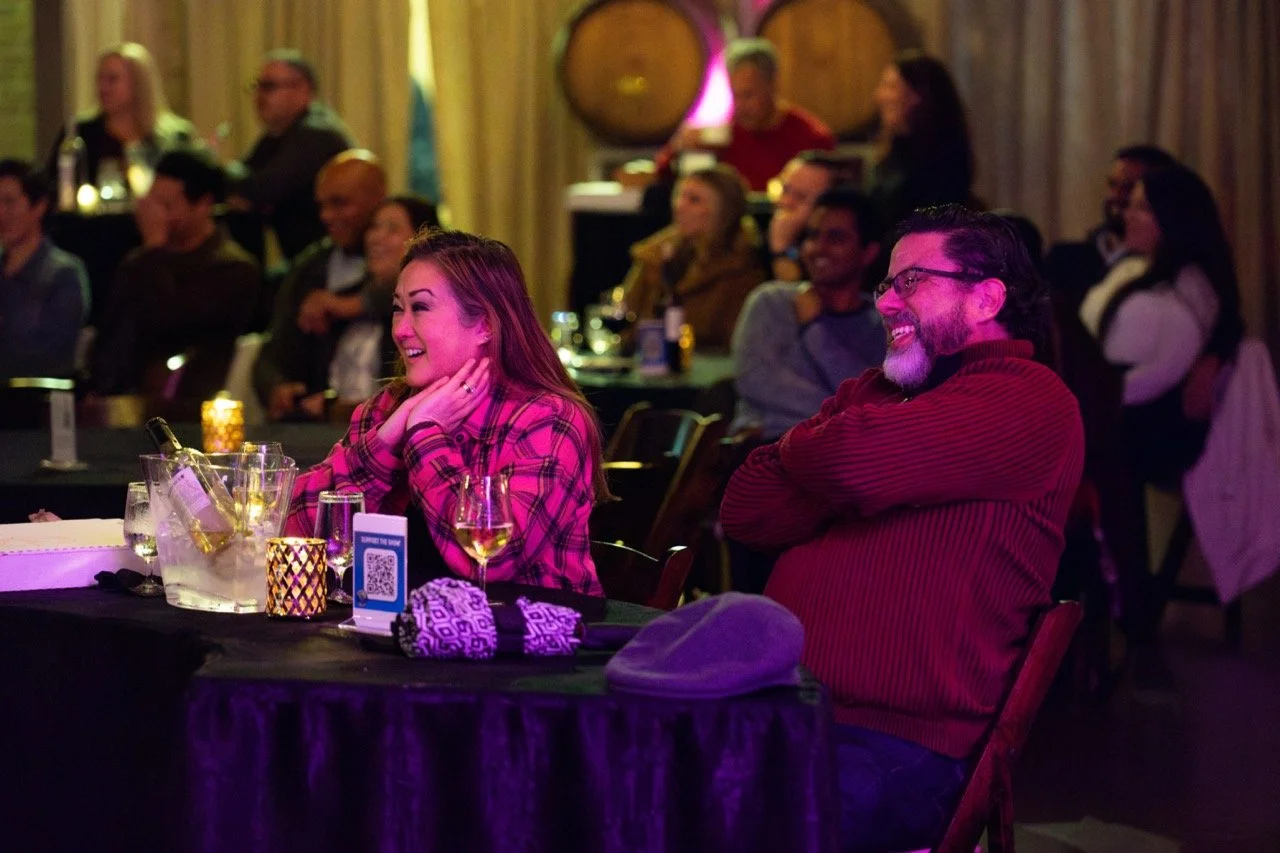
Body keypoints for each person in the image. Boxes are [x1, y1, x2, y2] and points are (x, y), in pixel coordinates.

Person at [721, 205, 1084, 853]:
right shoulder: (880, 394)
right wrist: (847, 453)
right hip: (786, 711)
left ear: (986, 297)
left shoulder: (1029, 398)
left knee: (709, 819)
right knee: (616, 785)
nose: (886, 301)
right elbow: (746, 506)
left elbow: (851, 463)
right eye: (886, 283)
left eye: (912, 280)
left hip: (898, 744)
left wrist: (827, 456)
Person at [287, 229, 607, 595]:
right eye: (397, 309)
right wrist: (386, 441)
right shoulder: (390, 409)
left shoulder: (547, 421)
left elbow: (492, 560)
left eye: (420, 307)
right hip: (401, 637)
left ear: (485, 324)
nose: (401, 330)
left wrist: (426, 435)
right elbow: (289, 531)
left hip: (522, 641)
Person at [1078, 163, 1244, 485]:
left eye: (1142, 208)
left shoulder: (1178, 296)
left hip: (1143, 440)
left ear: (1172, 218)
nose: (1126, 214)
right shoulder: (1143, 271)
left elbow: (1141, 381)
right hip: (1122, 420)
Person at [90, 149, 261, 396]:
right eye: (152, 202)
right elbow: (110, 336)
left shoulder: (234, 268)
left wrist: (154, 250)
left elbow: (170, 324)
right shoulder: (138, 263)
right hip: (123, 398)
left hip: (188, 402)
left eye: (167, 205)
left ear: (203, 205)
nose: (155, 214)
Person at [730, 186, 886, 442]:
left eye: (835, 238)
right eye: (812, 236)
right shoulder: (772, 302)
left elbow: (870, 399)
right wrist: (844, 415)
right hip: (766, 450)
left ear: (868, 253)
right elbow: (756, 381)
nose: (817, 248)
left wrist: (814, 329)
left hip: (846, 457)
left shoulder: (881, 324)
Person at [253, 150, 390, 421]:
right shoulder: (310, 268)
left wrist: (345, 305)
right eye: (322, 205)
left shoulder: (413, 260)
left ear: (378, 199)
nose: (327, 216)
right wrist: (277, 387)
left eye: (339, 203)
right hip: (321, 425)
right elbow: (273, 351)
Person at [653, 38, 835, 192]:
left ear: (772, 85)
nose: (740, 106)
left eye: (748, 95)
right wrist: (679, 148)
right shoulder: (724, 134)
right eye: (734, 95)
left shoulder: (811, 137)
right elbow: (661, 175)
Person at [620, 164, 765, 350]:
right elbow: (626, 319)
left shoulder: (742, 268)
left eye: (694, 200)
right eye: (680, 196)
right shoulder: (654, 256)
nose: (680, 206)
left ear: (724, 213)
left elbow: (736, 344)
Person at [226, 50, 352, 260]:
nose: (259, 97)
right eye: (256, 87)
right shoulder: (277, 136)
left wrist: (221, 171)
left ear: (302, 90)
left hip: (332, 263)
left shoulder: (316, 133)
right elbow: (246, 183)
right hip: (309, 258)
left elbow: (261, 189)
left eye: (268, 87)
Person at [326, 194, 441, 415]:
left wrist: (332, 408)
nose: (376, 238)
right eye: (374, 227)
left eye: (392, 229)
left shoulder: (430, 311)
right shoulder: (340, 300)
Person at [44, 42, 198, 193]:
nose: (103, 88)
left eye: (112, 79)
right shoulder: (79, 134)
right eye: (100, 79)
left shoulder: (175, 138)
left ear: (138, 83)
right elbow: (53, 189)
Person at [1044, 144, 1179, 308]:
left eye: (1130, 188)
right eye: (1113, 185)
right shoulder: (1065, 261)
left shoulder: (1171, 273)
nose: (1115, 196)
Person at [0, 159, 90, 378]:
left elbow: (54, 354)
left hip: (35, 398)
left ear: (39, 206)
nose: (1, 213)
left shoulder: (63, 273)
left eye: (9, 202)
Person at [868, 51, 976, 231]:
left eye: (891, 86)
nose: (880, 96)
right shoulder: (893, 153)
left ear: (917, 96)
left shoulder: (943, 161)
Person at [766, 150, 860, 282]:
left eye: (801, 197)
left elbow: (799, 299)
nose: (785, 202)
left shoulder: (834, 250)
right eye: (785, 190)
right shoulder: (757, 230)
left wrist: (780, 248)